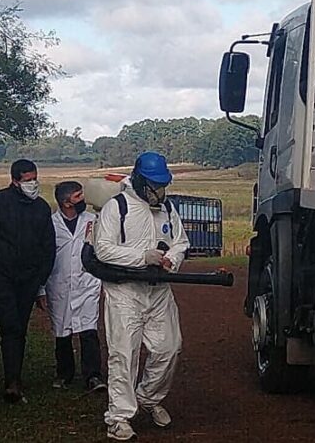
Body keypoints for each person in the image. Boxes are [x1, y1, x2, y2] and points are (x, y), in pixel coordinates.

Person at [93, 151, 190, 441]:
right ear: (139, 180)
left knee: (169, 348)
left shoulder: (167, 208)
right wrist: (141, 257)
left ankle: (148, 398)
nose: (158, 192)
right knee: (124, 354)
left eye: (162, 185)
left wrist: (172, 259)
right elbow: (103, 248)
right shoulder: (117, 207)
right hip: (125, 292)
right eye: (154, 186)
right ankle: (119, 418)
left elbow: (181, 242)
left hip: (158, 291)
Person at [0, 159, 56, 403]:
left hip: (29, 278)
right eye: (28, 180)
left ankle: (15, 376)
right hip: (1, 277)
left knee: (20, 326)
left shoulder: (41, 208)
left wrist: (40, 278)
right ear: (15, 181)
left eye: (35, 179)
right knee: (10, 326)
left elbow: (48, 246)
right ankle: (12, 382)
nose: (33, 184)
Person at [40, 181, 106, 392]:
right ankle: (64, 374)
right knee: (62, 332)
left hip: (87, 284)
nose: (83, 199)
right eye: (78, 196)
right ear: (66, 202)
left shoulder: (92, 221)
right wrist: (40, 289)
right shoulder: (50, 225)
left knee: (89, 330)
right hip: (58, 285)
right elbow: (43, 258)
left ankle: (93, 376)